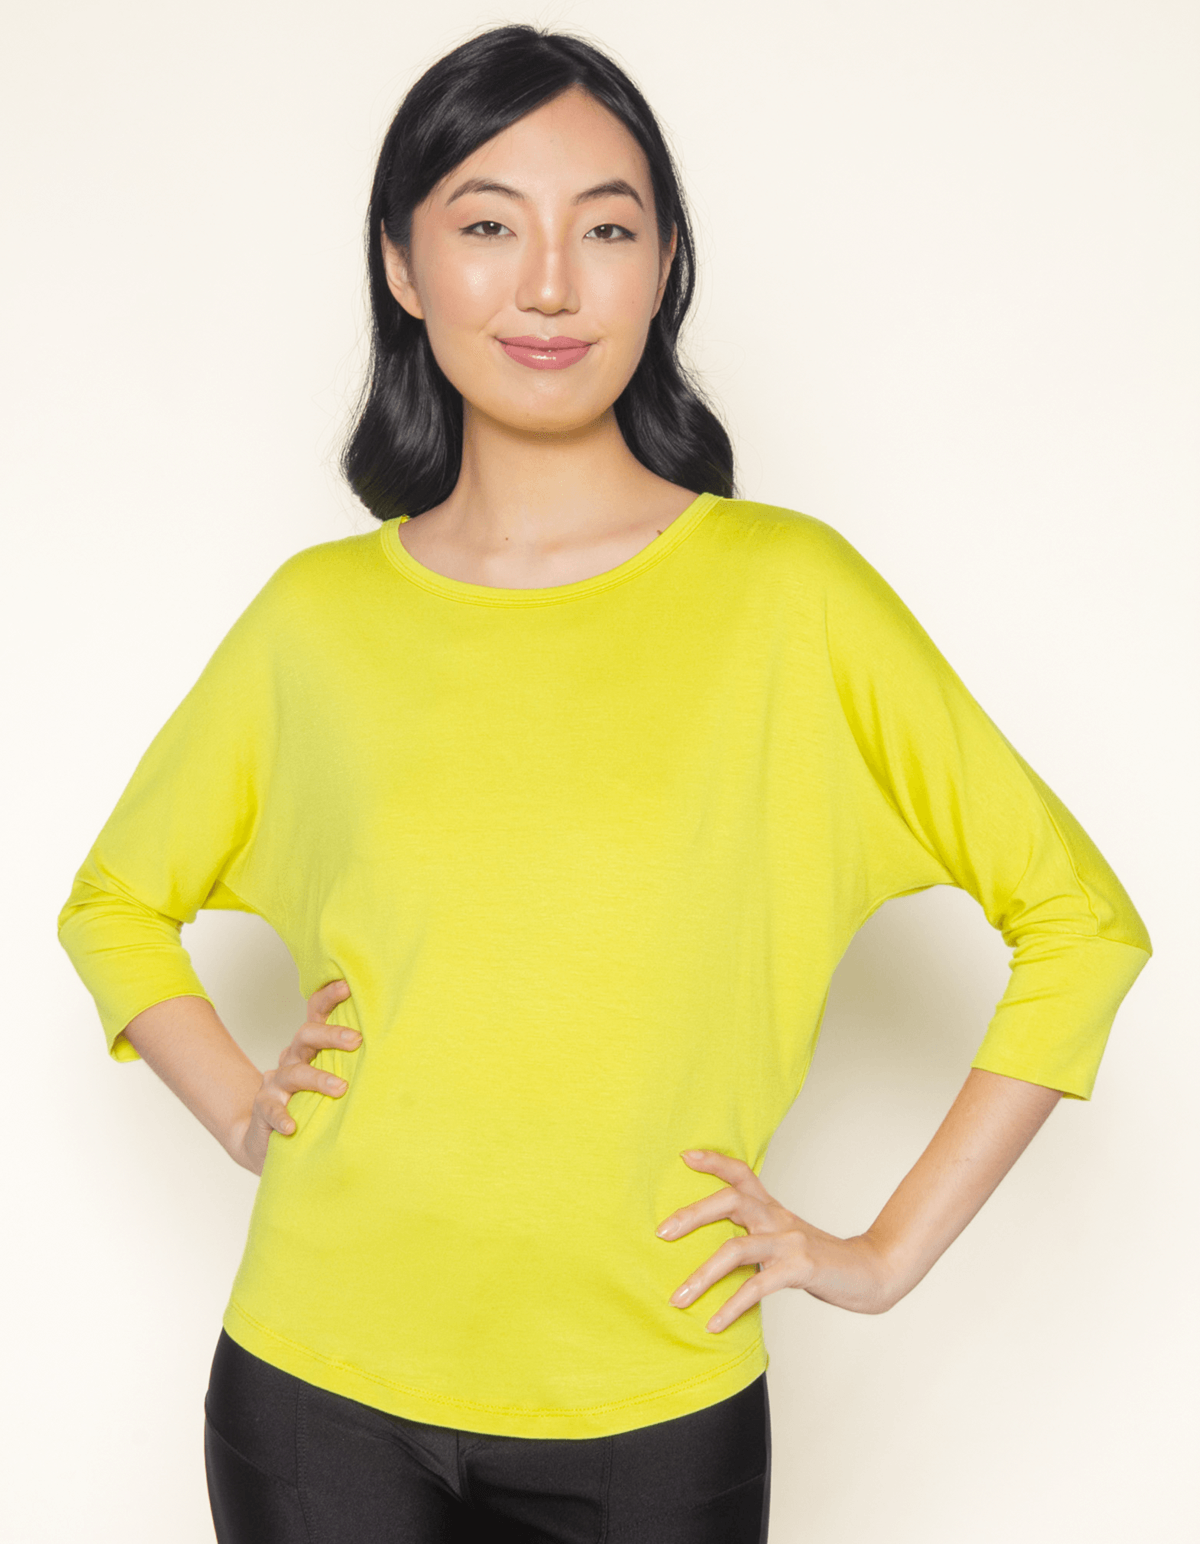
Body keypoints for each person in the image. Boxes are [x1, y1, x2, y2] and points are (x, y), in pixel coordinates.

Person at [56, 23, 1151, 1544]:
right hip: (313, 1386)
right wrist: (247, 1112)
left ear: (665, 265)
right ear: (402, 265)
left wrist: (882, 1256)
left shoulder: (790, 598)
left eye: (608, 229)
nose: (552, 284)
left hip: (656, 1403)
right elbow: (113, 903)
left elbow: (1081, 925)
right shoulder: (316, 620)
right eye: (488, 226)